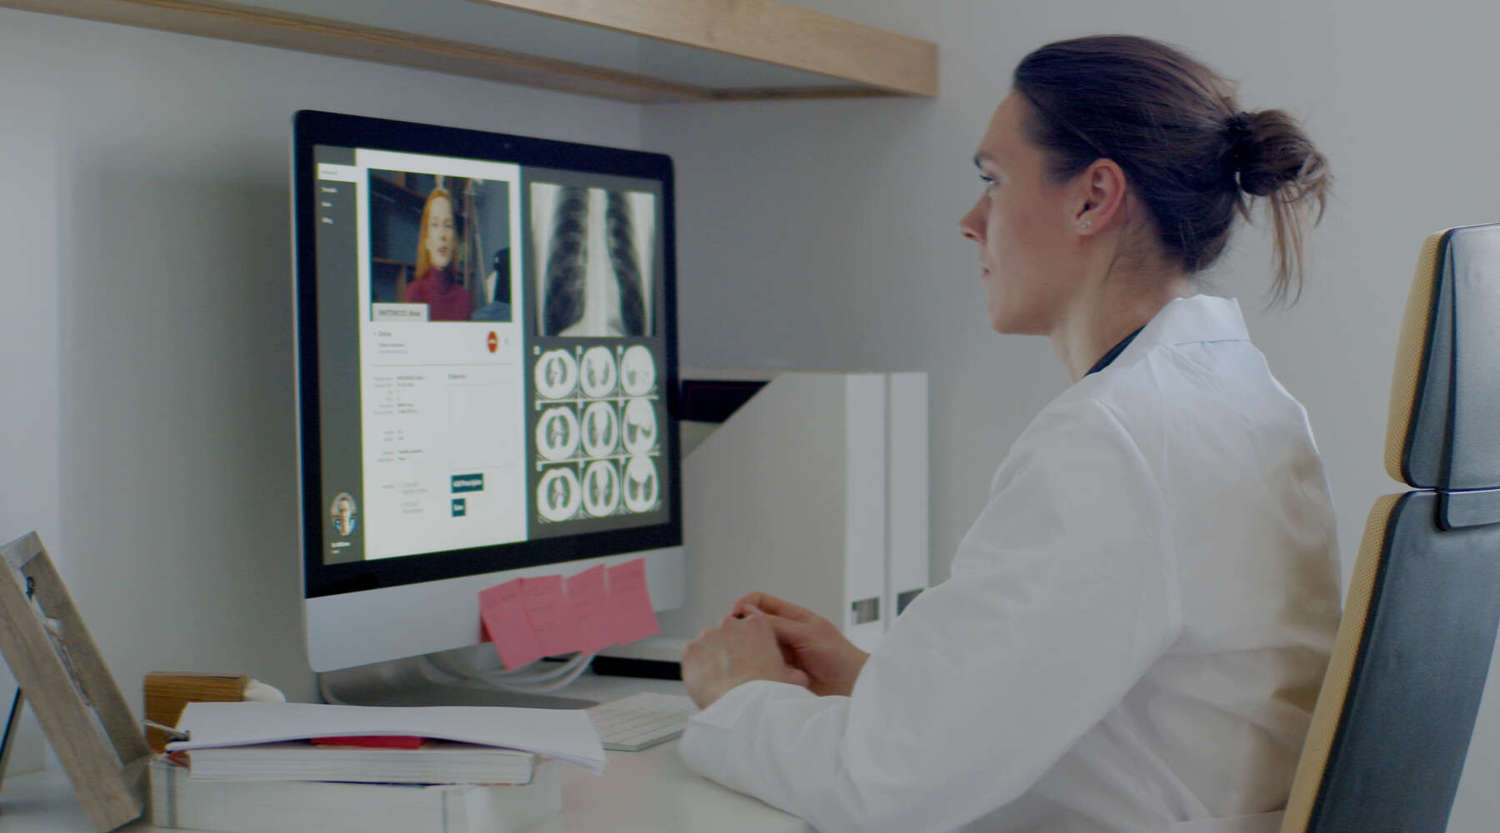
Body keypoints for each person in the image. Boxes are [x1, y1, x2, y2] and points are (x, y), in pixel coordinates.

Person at [678, 34, 1341, 833]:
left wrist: (743, 698)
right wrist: (878, 682)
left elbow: (886, 790)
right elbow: (1127, 712)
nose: (970, 221)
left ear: (1093, 197)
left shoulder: (1114, 440)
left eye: (992, 181)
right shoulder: (1238, 397)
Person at [404, 186, 471, 321]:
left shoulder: (464, 297)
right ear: (426, 240)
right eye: (435, 225)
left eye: (448, 225)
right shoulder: (414, 293)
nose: (442, 235)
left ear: (454, 242)